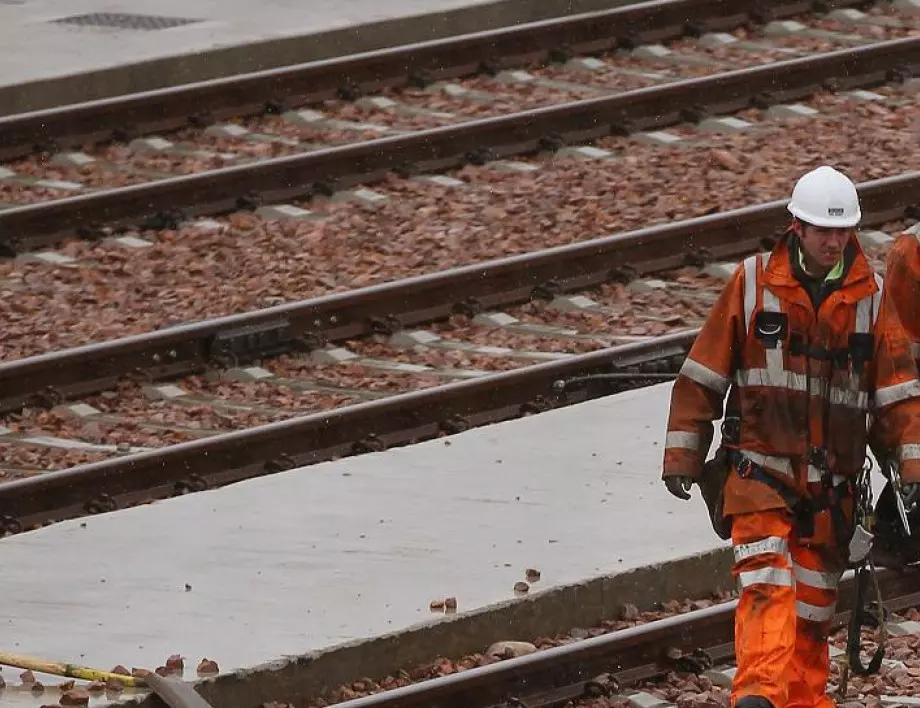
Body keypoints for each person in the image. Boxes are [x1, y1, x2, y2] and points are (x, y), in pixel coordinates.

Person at [660, 165, 920, 708]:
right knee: (766, 583)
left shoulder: (870, 300)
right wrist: (683, 454)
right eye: (823, 230)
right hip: (759, 475)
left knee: (811, 615)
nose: (833, 241)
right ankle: (756, 694)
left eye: (842, 231)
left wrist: (914, 472)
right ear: (796, 227)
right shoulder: (753, 284)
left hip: (831, 494)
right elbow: (704, 371)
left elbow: (898, 396)